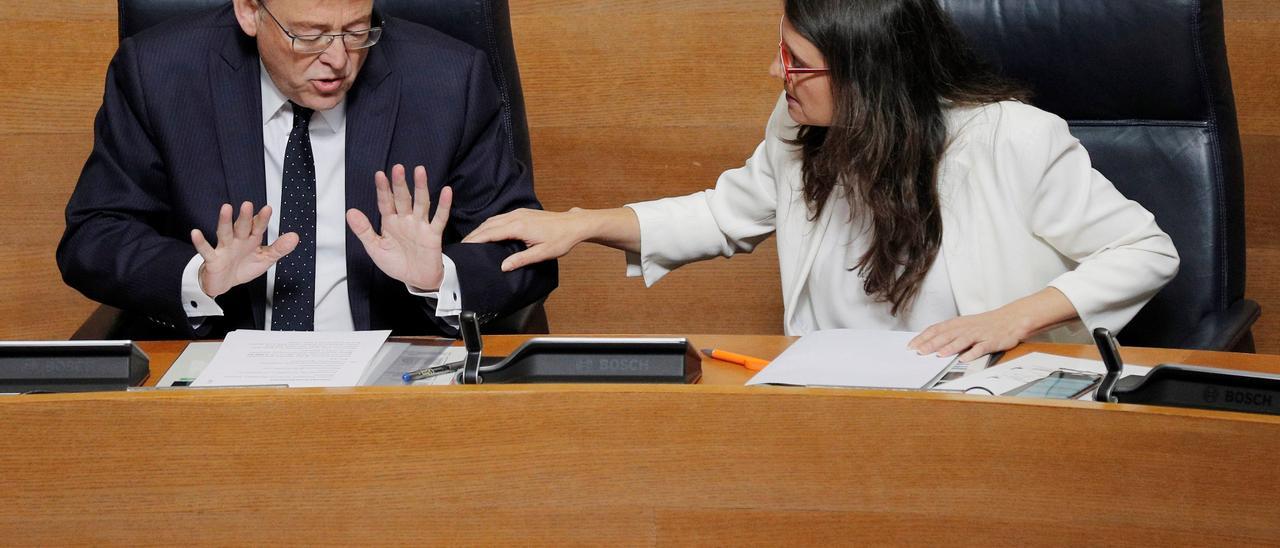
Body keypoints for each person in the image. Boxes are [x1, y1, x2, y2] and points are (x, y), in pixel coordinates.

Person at [463, 0, 1179, 363]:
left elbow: (1147, 252)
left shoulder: (1010, 138)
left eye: (798, 62)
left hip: (981, 404)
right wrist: (583, 221)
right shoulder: (802, 127)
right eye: (782, 53)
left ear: (871, 74)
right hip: (837, 394)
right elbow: (725, 215)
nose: (778, 75)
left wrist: (1014, 318)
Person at [57, 0, 557, 337]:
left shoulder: (448, 79)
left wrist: (439, 277)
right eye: (311, 36)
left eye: (357, 30)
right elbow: (95, 236)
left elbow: (526, 247)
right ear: (250, 11)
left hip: (393, 380)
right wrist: (198, 278)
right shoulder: (159, 72)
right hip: (220, 377)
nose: (338, 59)